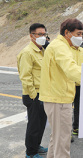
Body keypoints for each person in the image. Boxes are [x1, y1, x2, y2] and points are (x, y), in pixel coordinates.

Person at [39, 18, 83, 158]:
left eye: (82, 34)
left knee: (57, 139)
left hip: (58, 97)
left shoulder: (61, 45)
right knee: (62, 140)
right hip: (58, 99)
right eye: (78, 33)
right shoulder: (60, 47)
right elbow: (71, 69)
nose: (80, 37)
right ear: (67, 32)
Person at [17, 23, 48, 158]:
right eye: (39, 34)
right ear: (31, 36)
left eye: (44, 34)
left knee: (41, 123)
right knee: (34, 125)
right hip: (33, 95)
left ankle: (37, 145)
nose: (43, 37)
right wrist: (33, 95)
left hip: (44, 93)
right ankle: (30, 152)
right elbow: (25, 76)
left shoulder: (43, 50)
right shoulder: (27, 53)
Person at [71, 35, 83, 136]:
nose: (80, 38)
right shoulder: (66, 50)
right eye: (77, 35)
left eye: (81, 36)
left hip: (81, 84)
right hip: (69, 84)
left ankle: (76, 127)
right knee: (67, 109)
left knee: (79, 107)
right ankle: (65, 132)